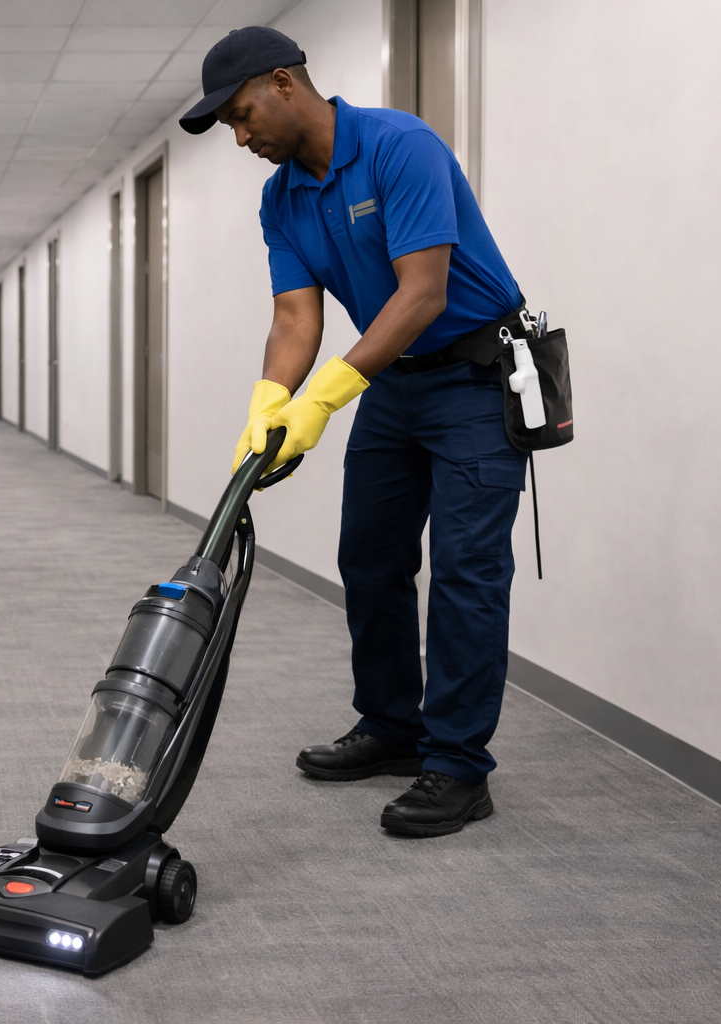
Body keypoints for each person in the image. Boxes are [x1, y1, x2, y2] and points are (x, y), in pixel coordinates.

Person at [180, 27, 528, 838]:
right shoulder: (281, 197)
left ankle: (456, 767)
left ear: (284, 83)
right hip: (394, 385)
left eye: (241, 115)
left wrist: (325, 400)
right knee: (368, 559)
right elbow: (296, 315)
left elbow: (423, 295)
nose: (240, 137)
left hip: (475, 378)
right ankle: (391, 727)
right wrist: (269, 401)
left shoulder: (400, 146)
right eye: (229, 126)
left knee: (467, 573)